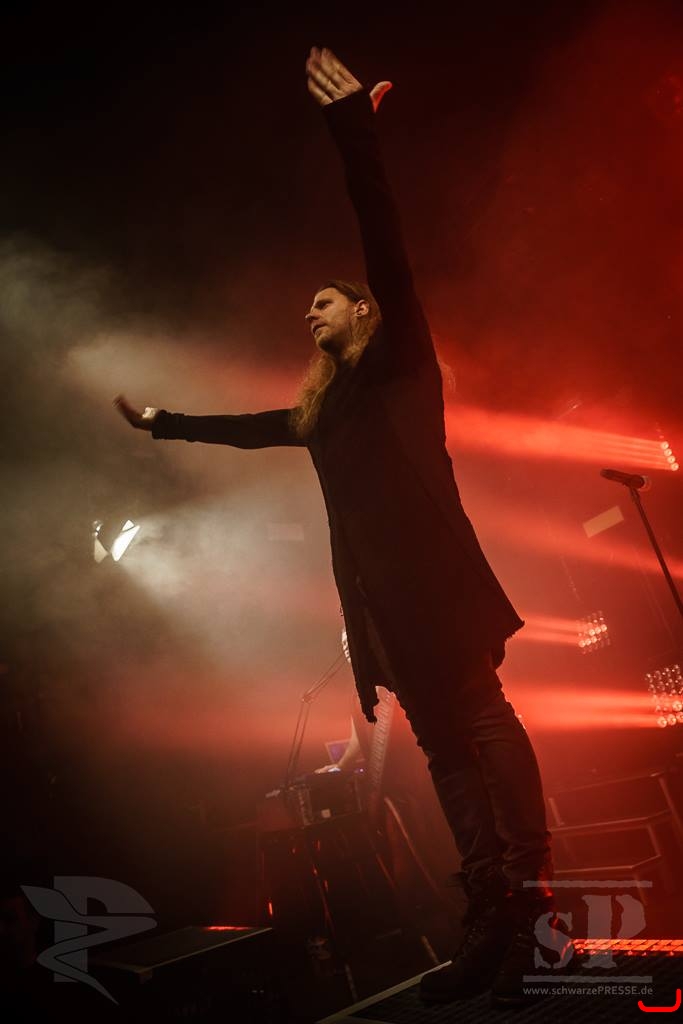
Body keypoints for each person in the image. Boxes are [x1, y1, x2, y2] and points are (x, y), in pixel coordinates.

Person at [114, 46, 567, 1007]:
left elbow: (383, 239)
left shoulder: (400, 364)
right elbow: (252, 428)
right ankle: (490, 908)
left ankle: (530, 892)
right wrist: (164, 423)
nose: (307, 314)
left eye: (322, 301)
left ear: (361, 310)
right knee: (442, 751)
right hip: (381, 609)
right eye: (305, 307)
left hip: (435, 585)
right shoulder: (322, 414)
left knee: (480, 719)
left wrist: (353, 130)